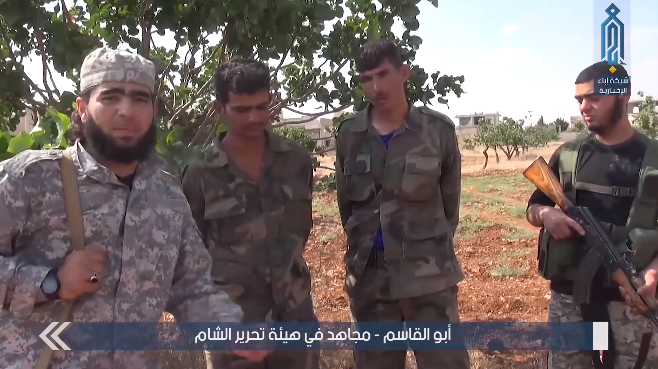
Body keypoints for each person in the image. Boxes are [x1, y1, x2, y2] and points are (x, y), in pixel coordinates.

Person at [0, 47, 268, 368]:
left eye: (140, 99)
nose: (126, 111)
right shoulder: (28, 178)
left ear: (153, 110)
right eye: (111, 97)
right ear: (83, 109)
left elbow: (192, 287)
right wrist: (50, 281)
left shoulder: (165, 193)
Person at [334, 39, 470, 369]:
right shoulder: (350, 135)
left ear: (404, 73)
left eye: (383, 74)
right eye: (367, 78)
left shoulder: (437, 130)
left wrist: (426, 250)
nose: (376, 86)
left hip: (429, 279)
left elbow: (449, 205)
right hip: (370, 279)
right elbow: (346, 209)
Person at [181, 58, 319, 369]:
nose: (255, 117)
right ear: (220, 109)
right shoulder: (199, 174)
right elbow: (193, 254)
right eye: (242, 110)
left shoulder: (296, 161)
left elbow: (302, 231)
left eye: (262, 106)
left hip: (295, 315)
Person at [525, 61, 658, 369]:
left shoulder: (652, 159)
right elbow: (533, 208)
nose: (585, 106)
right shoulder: (570, 155)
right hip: (570, 302)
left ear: (622, 97)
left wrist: (653, 273)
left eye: (594, 97)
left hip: (631, 301)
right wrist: (547, 215)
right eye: (579, 100)